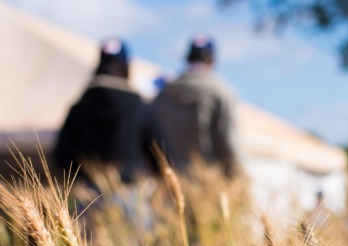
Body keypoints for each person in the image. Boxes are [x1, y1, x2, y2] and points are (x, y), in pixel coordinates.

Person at [53, 38, 167, 184]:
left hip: (88, 198)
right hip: (130, 194)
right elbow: (162, 155)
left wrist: (84, 176)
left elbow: (61, 157)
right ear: (126, 67)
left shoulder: (78, 108)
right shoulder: (138, 107)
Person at [151, 34, 240, 178]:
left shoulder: (163, 94)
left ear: (188, 58)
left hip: (167, 180)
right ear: (212, 60)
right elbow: (228, 140)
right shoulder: (221, 92)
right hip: (206, 181)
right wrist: (238, 176)